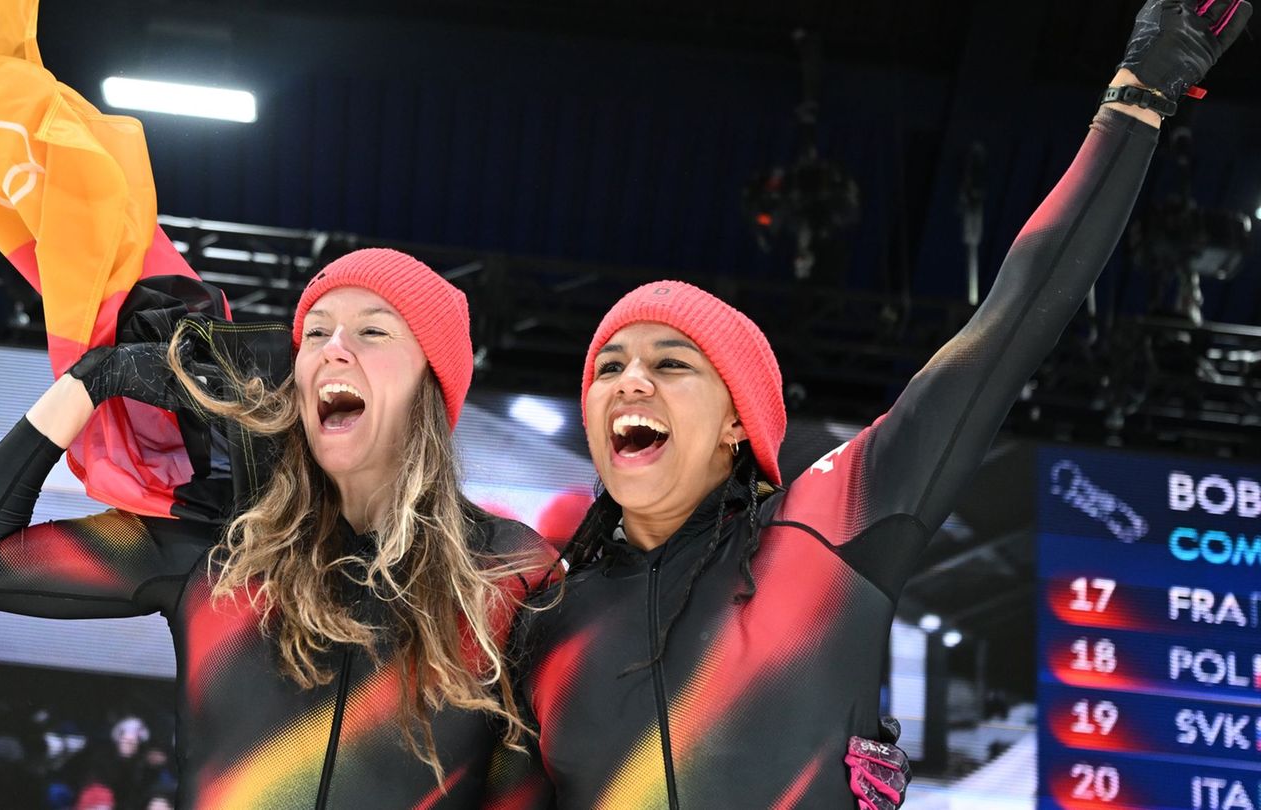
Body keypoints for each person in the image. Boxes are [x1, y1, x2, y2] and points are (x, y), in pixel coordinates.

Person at [509, 1, 1251, 806]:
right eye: (608, 366)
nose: (630, 381)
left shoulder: (823, 527)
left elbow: (1010, 325)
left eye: (671, 363)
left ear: (737, 422)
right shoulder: (543, 623)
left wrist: (1143, 89)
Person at [0, 248, 554, 808]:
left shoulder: (509, 568)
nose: (333, 347)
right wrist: (93, 380)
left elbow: (522, 786)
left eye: (373, 330)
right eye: (316, 333)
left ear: (433, 381)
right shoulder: (224, 540)